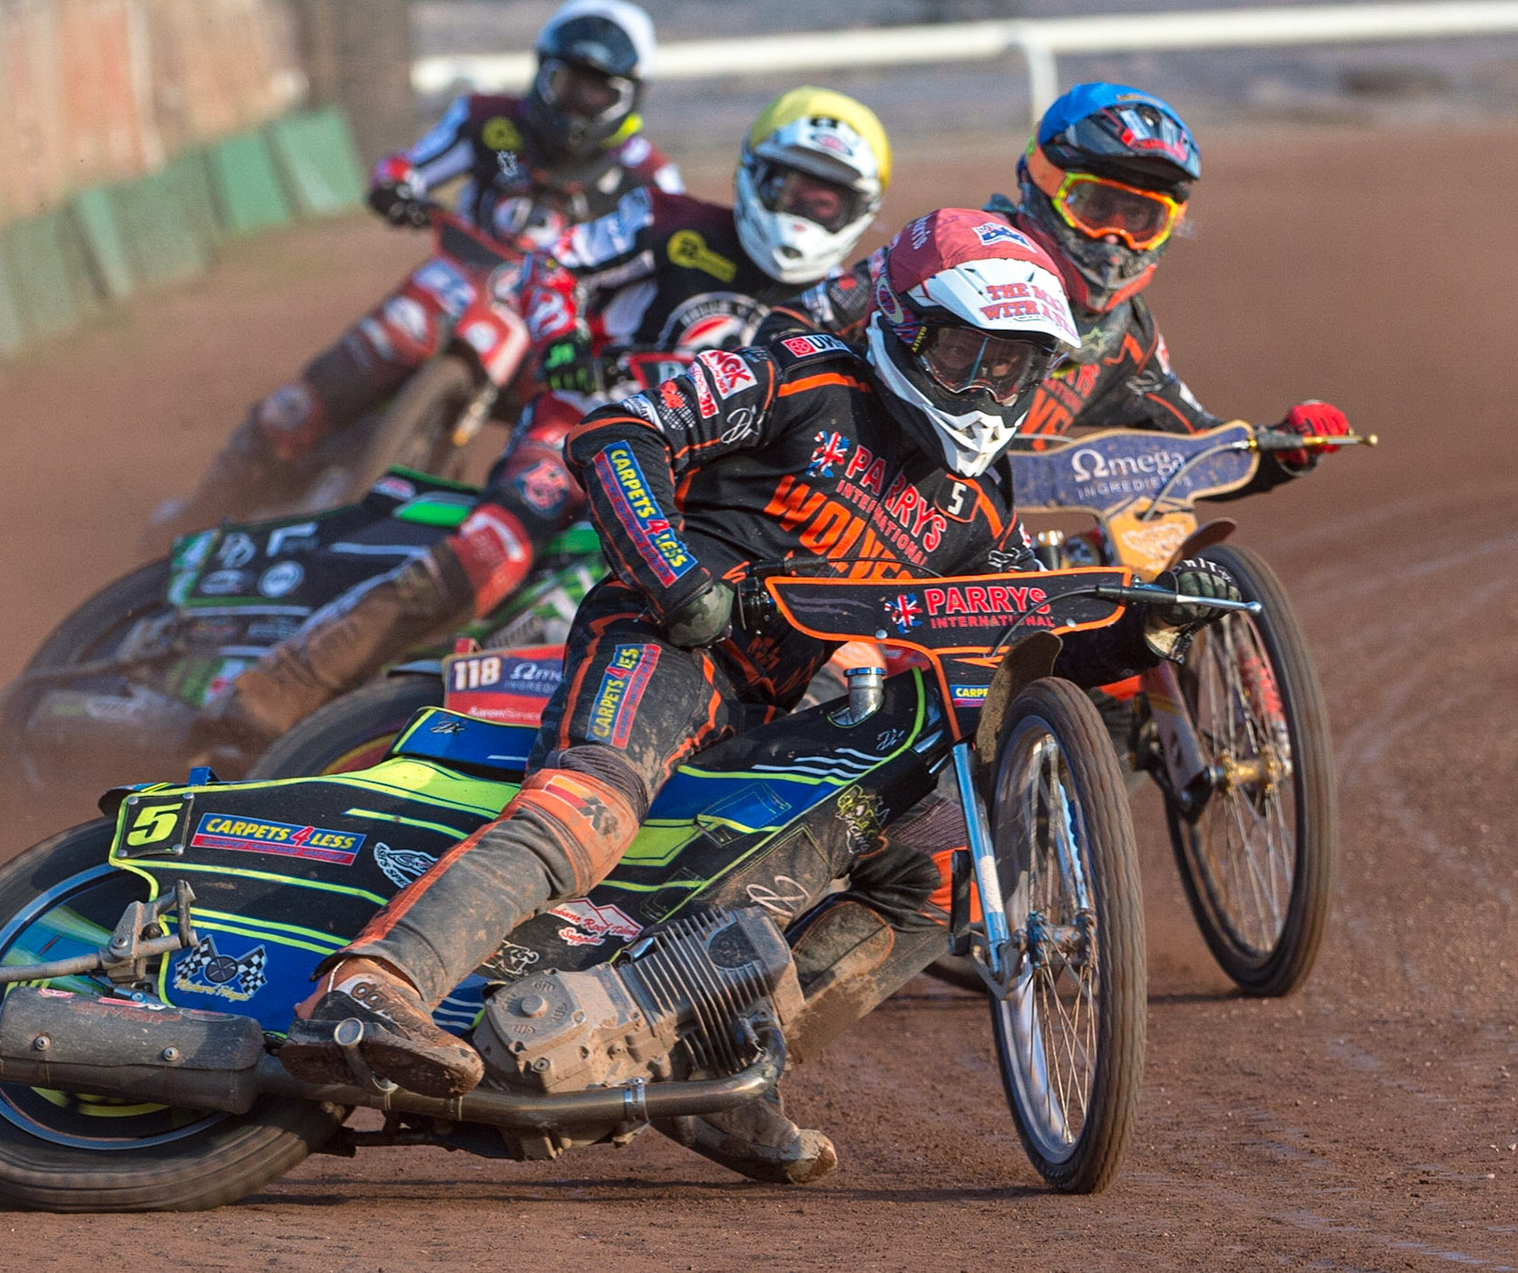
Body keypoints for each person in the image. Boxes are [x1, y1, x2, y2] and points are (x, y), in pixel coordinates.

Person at [276, 208, 1242, 1182]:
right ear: (904, 326)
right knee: (590, 803)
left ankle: (711, 1061)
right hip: (661, 640)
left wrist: (1151, 629)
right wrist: (674, 575)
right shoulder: (800, 375)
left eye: (1015, 367)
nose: (989, 390)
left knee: (932, 881)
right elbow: (617, 430)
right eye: (966, 354)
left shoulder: (981, 507)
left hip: (781, 712)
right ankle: (372, 982)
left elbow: (1031, 636)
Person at [207, 86, 891, 752]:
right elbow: (551, 262)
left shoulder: (851, 311)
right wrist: (561, 336)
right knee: (492, 547)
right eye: (791, 186)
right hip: (586, 423)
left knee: (796, 620)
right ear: (753, 173)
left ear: (860, 210)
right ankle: (273, 691)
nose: (802, 211)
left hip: (715, 486)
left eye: (824, 200)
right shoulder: (667, 221)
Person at [148, 0, 680, 543]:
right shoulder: (491, 125)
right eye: (567, 84)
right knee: (295, 408)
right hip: (452, 289)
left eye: (597, 93)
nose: (577, 106)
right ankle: (199, 513)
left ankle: (501, 548)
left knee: (572, 457)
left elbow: (673, 277)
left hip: (555, 336)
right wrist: (397, 189)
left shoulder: (650, 181)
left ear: (630, 97)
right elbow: (408, 166)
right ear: (541, 74)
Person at [767, 83, 1352, 481]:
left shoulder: (1124, 336)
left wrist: (1283, 446)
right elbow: (794, 324)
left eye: (1140, 219)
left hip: (985, 544)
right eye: (1095, 207)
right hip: (843, 492)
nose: (1113, 239)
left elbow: (1194, 446)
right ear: (1041, 186)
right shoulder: (949, 252)